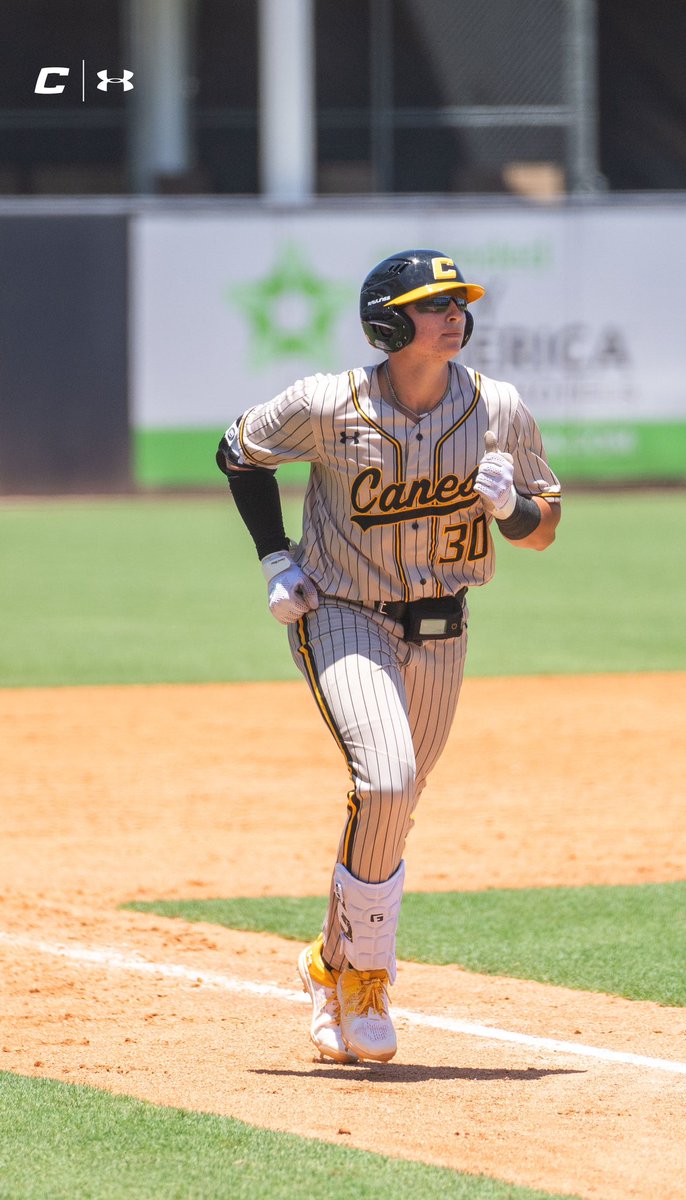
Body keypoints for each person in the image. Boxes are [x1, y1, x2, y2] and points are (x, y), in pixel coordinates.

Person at [216, 249, 561, 1063]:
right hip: (342, 613)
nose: (454, 315)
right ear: (389, 321)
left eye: (458, 303)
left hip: (445, 625)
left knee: (396, 802)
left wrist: (512, 508)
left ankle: (328, 966)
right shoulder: (327, 404)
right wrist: (275, 556)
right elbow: (239, 452)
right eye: (433, 303)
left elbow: (545, 528)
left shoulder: (498, 408)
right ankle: (369, 976)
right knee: (388, 779)